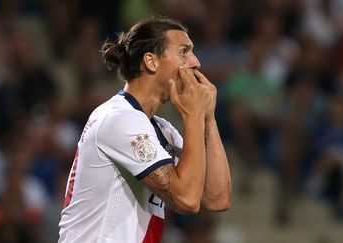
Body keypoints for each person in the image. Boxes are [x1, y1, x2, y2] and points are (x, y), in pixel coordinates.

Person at [58, 16, 232, 243]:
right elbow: (187, 199)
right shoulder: (119, 119)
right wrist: (193, 116)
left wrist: (208, 118)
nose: (196, 62)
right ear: (151, 61)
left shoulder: (161, 129)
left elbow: (217, 198)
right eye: (184, 52)